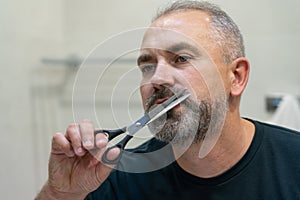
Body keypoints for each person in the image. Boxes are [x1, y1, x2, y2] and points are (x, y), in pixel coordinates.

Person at [35, 1, 300, 199]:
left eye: (181, 59)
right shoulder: (115, 179)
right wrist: (60, 194)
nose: (157, 78)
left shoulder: (294, 163)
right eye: (147, 66)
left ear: (236, 77)